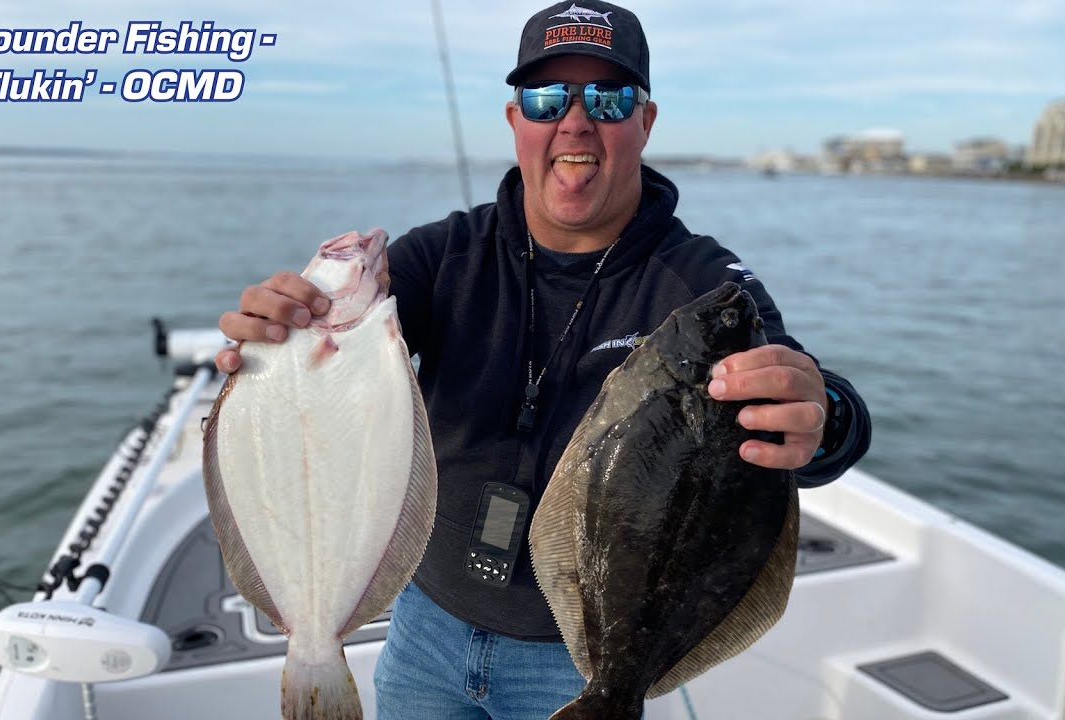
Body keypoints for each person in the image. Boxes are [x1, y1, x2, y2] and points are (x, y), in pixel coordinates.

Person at [215, 2, 871, 718]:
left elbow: (819, 413)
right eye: (547, 97)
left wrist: (823, 416)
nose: (576, 120)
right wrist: (282, 333)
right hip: (425, 626)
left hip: (582, 653)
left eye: (610, 98)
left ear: (644, 123)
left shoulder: (701, 290)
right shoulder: (446, 255)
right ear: (515, 119)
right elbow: (341, 348)